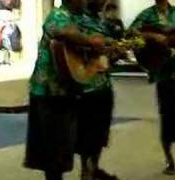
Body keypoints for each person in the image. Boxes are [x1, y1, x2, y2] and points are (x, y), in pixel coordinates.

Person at [23, 0, 106, 180]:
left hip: (65, 90)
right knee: (52, 151)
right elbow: (64, 32)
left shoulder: (77, 18)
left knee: (61, 148)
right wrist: (91, 42)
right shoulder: (57, 15)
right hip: (48, 92)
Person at [129, 0, 175, 175]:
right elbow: (131, 33)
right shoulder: (146, 15)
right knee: (168, 119)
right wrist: (153, 37)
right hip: (163, 73)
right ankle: (170, 161)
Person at [74, 0, 126, 179]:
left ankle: (94, 168)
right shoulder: (77, 19)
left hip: (104, 83)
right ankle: (86, 171)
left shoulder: (101, 22)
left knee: (100, 132)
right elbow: (73, 47)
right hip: (85, 84)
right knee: (87, 133)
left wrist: (116, 53)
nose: (103, 3)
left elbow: (106, 54)